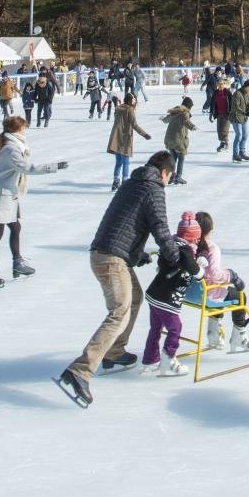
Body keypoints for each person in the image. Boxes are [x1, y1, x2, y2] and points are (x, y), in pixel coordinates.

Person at [55, 150, 184, 408]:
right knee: (120, 311)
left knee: (134, 298)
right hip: (111, 259)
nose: (168, 181)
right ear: (165, 172)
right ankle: (80, 370)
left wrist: (137, 255)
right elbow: (160, 227)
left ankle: (114, 352)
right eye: (170, 176)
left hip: (108, 254)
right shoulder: (153, 188)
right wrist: (177, 258)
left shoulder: (133, 182)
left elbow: (126, 223)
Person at [0, 116, 66, 288]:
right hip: (1, 195)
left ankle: (17, 262)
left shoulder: (12, 144)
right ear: (16, 130)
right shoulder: (11, 148)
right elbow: (26, 168)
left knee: (15, 227)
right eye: (23, 127)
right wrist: (53, 167)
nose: (25, 130)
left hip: (9, 193)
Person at [140, 211, 203, 377]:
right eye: (196, 239)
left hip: (154, 295)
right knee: (175, 328)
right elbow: (194, 270)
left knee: (155, 328)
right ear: (191, 238)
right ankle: (168, 359)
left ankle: (150, 358)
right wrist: (200, 269)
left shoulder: (170, 245)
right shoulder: (185, 250)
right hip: (167, 298)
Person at [193, 211, 249, 353]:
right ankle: (238, 338)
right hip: (207, 295)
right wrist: (232, 276)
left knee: (222, 292)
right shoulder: (212, 248)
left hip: (191, 294)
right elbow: (214, 273)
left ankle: (213, 334)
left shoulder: (190, 246)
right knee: (239, 296)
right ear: (211, 228)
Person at [107, 93, 151, 191]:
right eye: (134, 99)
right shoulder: (129, 110)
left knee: (118, 162)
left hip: (116, 138)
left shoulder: (119, 108)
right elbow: (134, 125)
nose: (135, 101)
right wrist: (145, 134)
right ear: (130, 100)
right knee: (126, 163)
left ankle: (115, 181)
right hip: (125, 139)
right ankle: (125, 182)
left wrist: (115, 104)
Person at [162, 96, 196, 184]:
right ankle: (178, 177)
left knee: (173, 159)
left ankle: (171, 177)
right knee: (181, 158)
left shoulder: (175, 111)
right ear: (189, 106)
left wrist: (163, 119)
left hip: (169, 139)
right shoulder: (185, 113)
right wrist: (193, 127)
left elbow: (166, 120)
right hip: (178, 140)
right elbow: (186, 122)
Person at [229, 79, 249, 162]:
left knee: (245, 136)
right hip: (236, 117)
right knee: (239, 135)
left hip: (243, 118)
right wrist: (246, 113)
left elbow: (248, 104)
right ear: (247, 86)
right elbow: (235, 107)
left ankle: (242, 152)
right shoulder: (237, 94)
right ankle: (235, 154)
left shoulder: (246, 93)